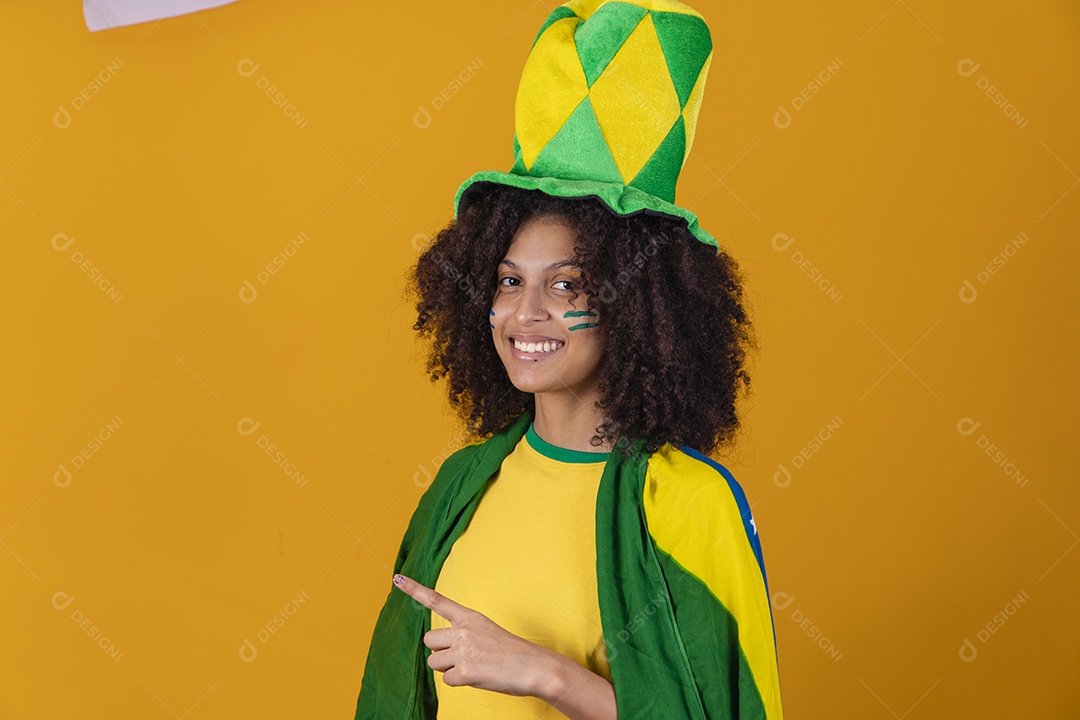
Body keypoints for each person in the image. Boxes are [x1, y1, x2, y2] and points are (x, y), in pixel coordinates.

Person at [354, 1, 784, 718]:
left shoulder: (690, 505)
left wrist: (551, 676)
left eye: (567, 285)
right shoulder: (461, 486)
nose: (527, 314)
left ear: (639, 303)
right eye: (509, 281)